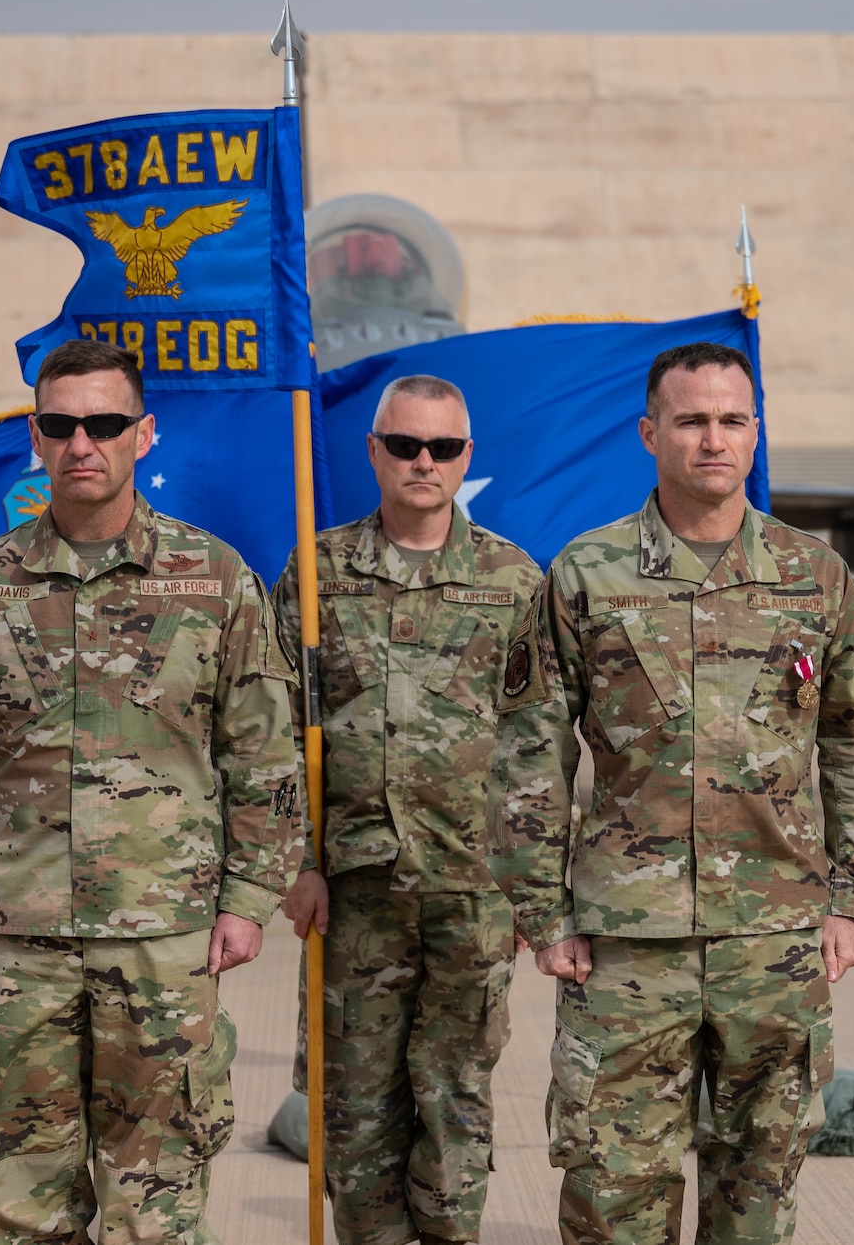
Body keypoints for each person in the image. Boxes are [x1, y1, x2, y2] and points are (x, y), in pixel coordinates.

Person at [0, 338, 303, 1245]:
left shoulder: (215, 580)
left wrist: (248, 900)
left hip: (163, 937)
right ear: (37, 439)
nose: (84, 442)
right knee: (18, 1187)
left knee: (154, 1189)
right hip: (19, 938)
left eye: (106, 423)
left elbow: (264, 756)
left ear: (144, 435)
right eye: (61, 424)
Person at [493, 341, 854, 1245]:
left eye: (732, 420)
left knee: (759, 1194)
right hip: (627, 947)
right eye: (691, 420)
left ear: (755, 434)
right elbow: (529, 752)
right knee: (612, 1195)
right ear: (649, 433)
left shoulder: (815, 576)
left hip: (776, 942)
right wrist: (541, 911)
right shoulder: (587, 575)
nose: (713, 440)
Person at [273, 374, 542, 1245]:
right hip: (354, 893)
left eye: (444, 448)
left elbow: (538, 742)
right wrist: (294, 863)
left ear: (468, 457)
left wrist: (535, 885)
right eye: (404, 446)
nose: (424, 463)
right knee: (354, 1109)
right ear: (373, 452)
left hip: (473, 891)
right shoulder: (316, 575)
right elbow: (276, 730)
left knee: (455, 1098)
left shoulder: (512, 579)